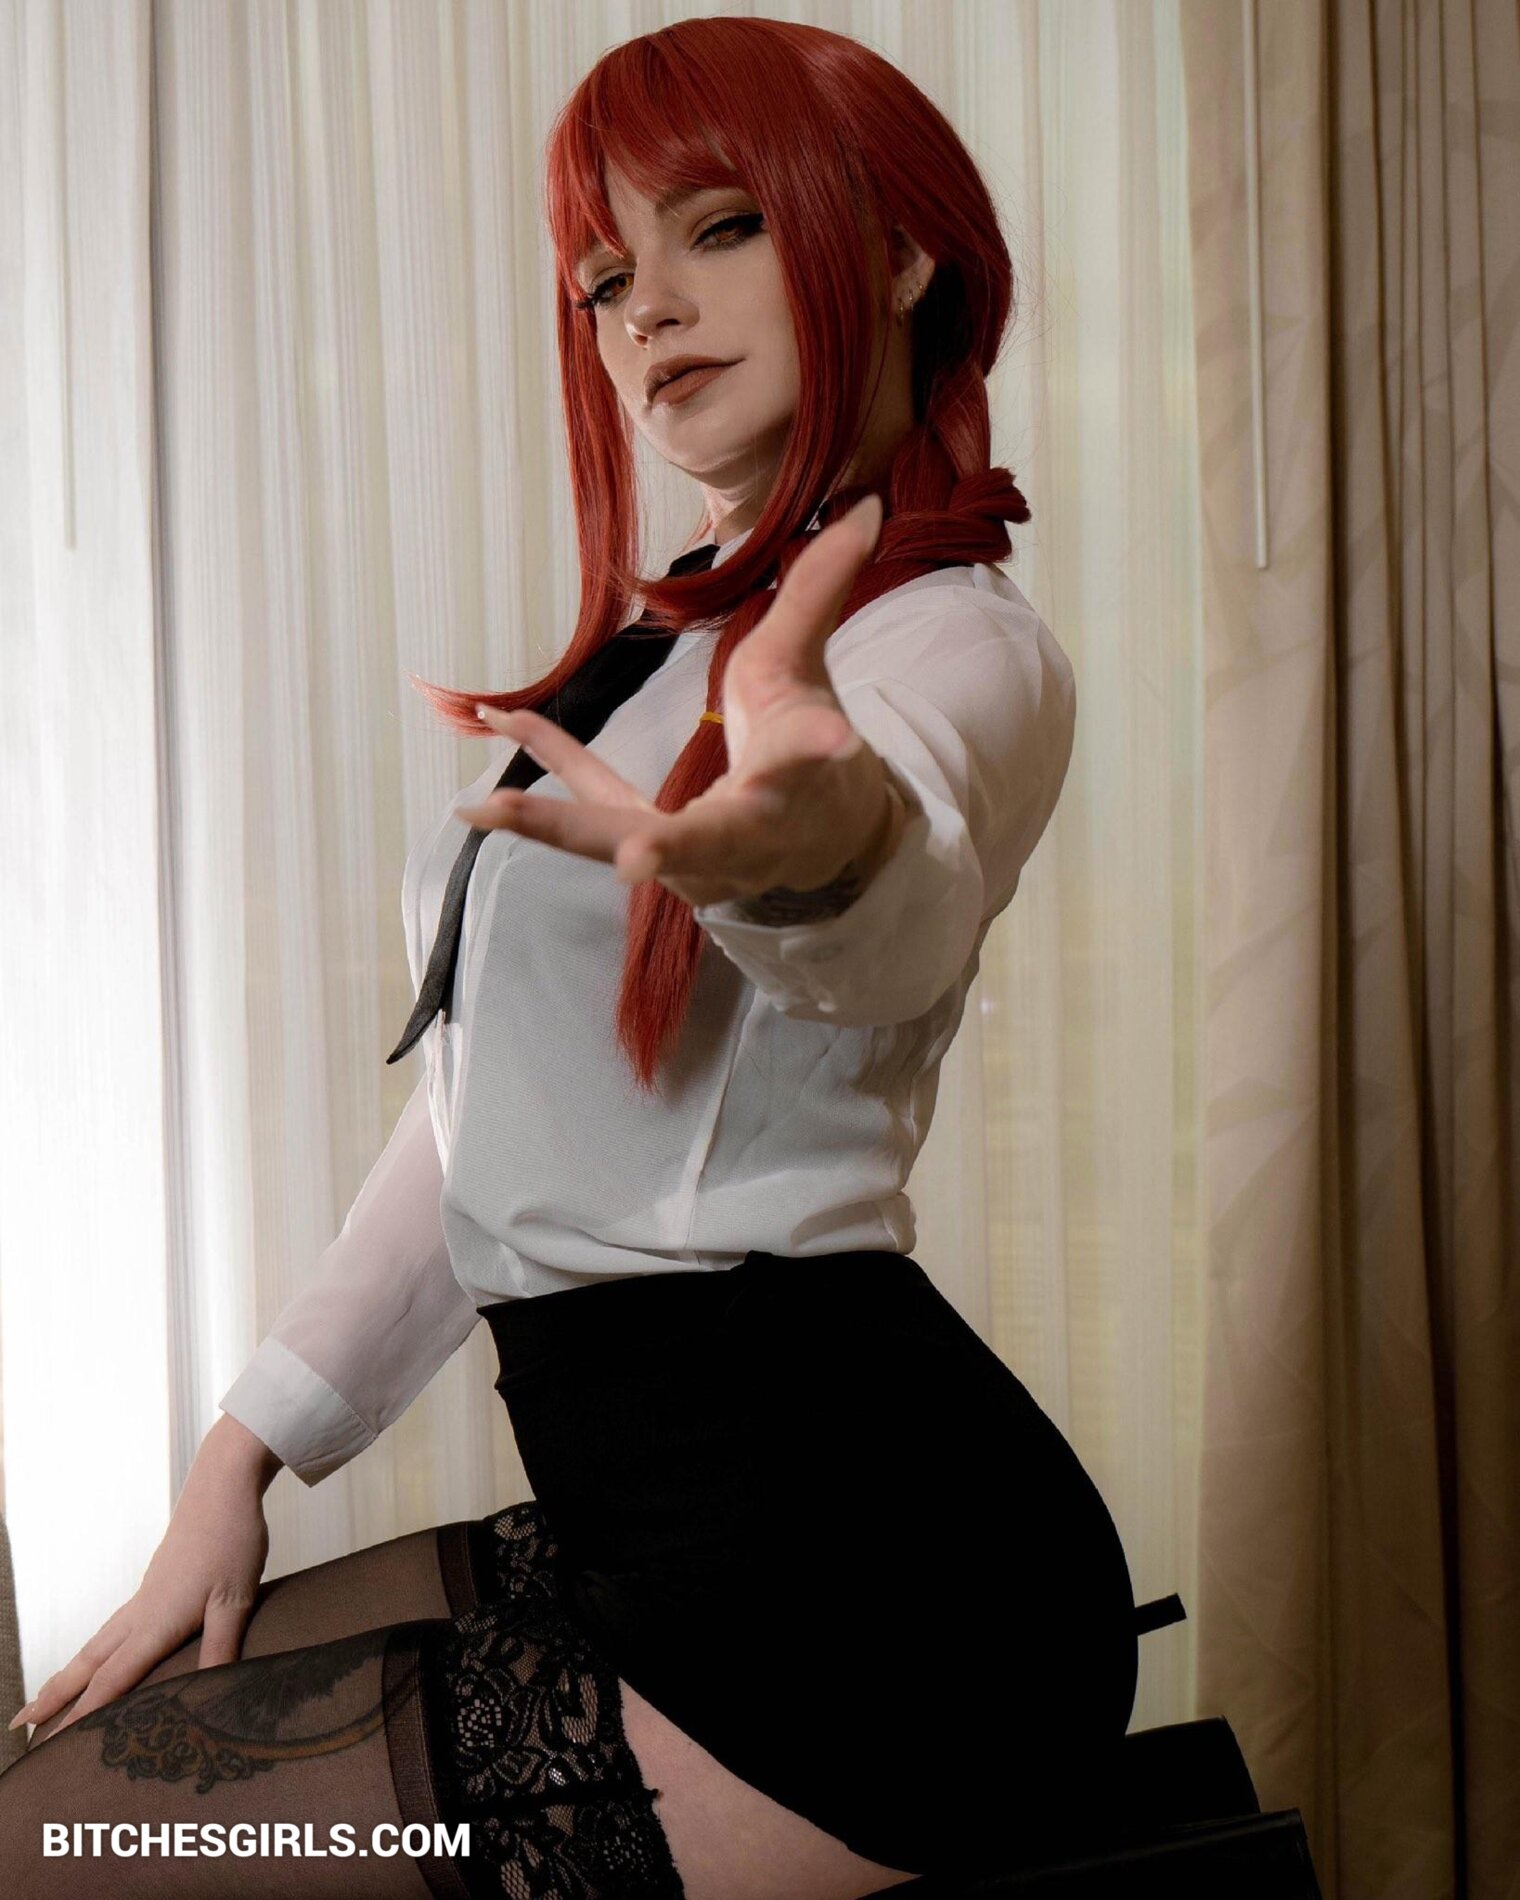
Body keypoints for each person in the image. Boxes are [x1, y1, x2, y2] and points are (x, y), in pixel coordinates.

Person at [0, 17, 1138, 1897]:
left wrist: (801, 853)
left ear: (903, 253)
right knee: (58, 1776)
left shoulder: (954, 645)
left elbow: (889, 908)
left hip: (869, 1600)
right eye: (606, 277)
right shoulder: (660, 656)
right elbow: (488, 1120)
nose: (645, 310)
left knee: (65, 1855)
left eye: (721, 228)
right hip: (657, 1517)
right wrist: (237, 1459)